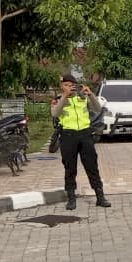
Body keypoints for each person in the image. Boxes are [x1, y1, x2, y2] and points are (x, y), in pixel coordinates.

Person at [50, 75, 110, 211]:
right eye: (66, 85)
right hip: (68, 136)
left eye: (72, 85)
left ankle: (100, 196)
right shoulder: (58, 100)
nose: (69, 87)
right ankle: (71, 198)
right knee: (70, 168)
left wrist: (91, 95)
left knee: (92, 166)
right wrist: (65, 96)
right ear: (62, 86)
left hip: (85, 135)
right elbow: (55, 114)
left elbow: (97, 109)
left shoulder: (82, 98)